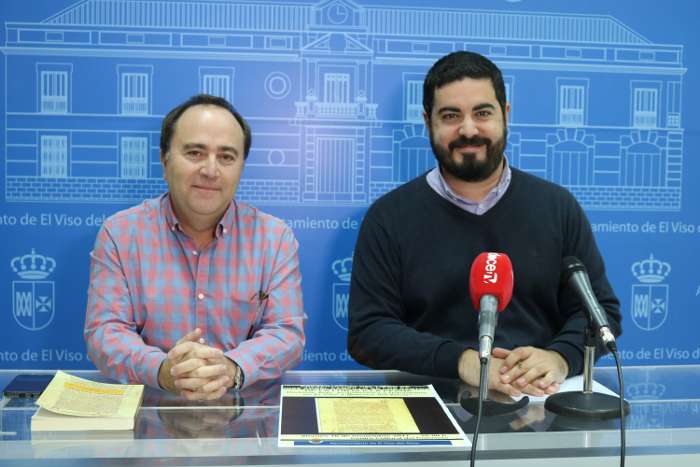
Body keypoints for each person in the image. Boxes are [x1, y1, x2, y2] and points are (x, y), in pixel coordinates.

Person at [347, 51, 621, 397]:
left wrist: (560, 357)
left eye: (482, 113)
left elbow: (600, 313)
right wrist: (462, 362)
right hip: (432, 404)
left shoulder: (557, 207)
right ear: (427, 121)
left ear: (505, 114)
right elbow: (368, 332)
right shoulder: (388, 217)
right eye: (450, 116)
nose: (468, 130)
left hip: (540, 403)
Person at [85, 94, 305, 400]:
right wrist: (164, 370)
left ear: (241, 167)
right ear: (164, 160)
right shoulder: (120, 235)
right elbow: (105, 333)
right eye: (195, 153)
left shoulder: (274, 238)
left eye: (226, 157)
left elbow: (286, 333)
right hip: (149, 415)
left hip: (244, 416)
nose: (211, 170)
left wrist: (231, 368)